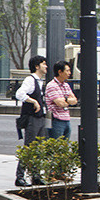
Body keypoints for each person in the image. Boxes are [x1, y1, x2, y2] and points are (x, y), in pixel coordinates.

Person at [14, 55, 48, 186]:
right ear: (36, 66)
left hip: (39, 118)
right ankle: (19, 177)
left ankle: (36, 176)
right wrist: (33, 101)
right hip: (32, 118)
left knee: (38, 148)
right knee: (29, 147)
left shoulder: (39, 81)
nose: (46, 66)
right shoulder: (30, 80)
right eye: (44, 64)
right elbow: (19, 94)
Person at [45, 60, 77, 140]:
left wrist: (65, 100)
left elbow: (75, 100)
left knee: (64, 147)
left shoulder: (66, 85)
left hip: (66, 119)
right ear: (60, 72)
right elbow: (60, 103)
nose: (69, 73)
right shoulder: (51, 85)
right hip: (55, 119)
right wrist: (67, 100)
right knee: (55, 146)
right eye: (67, 70)